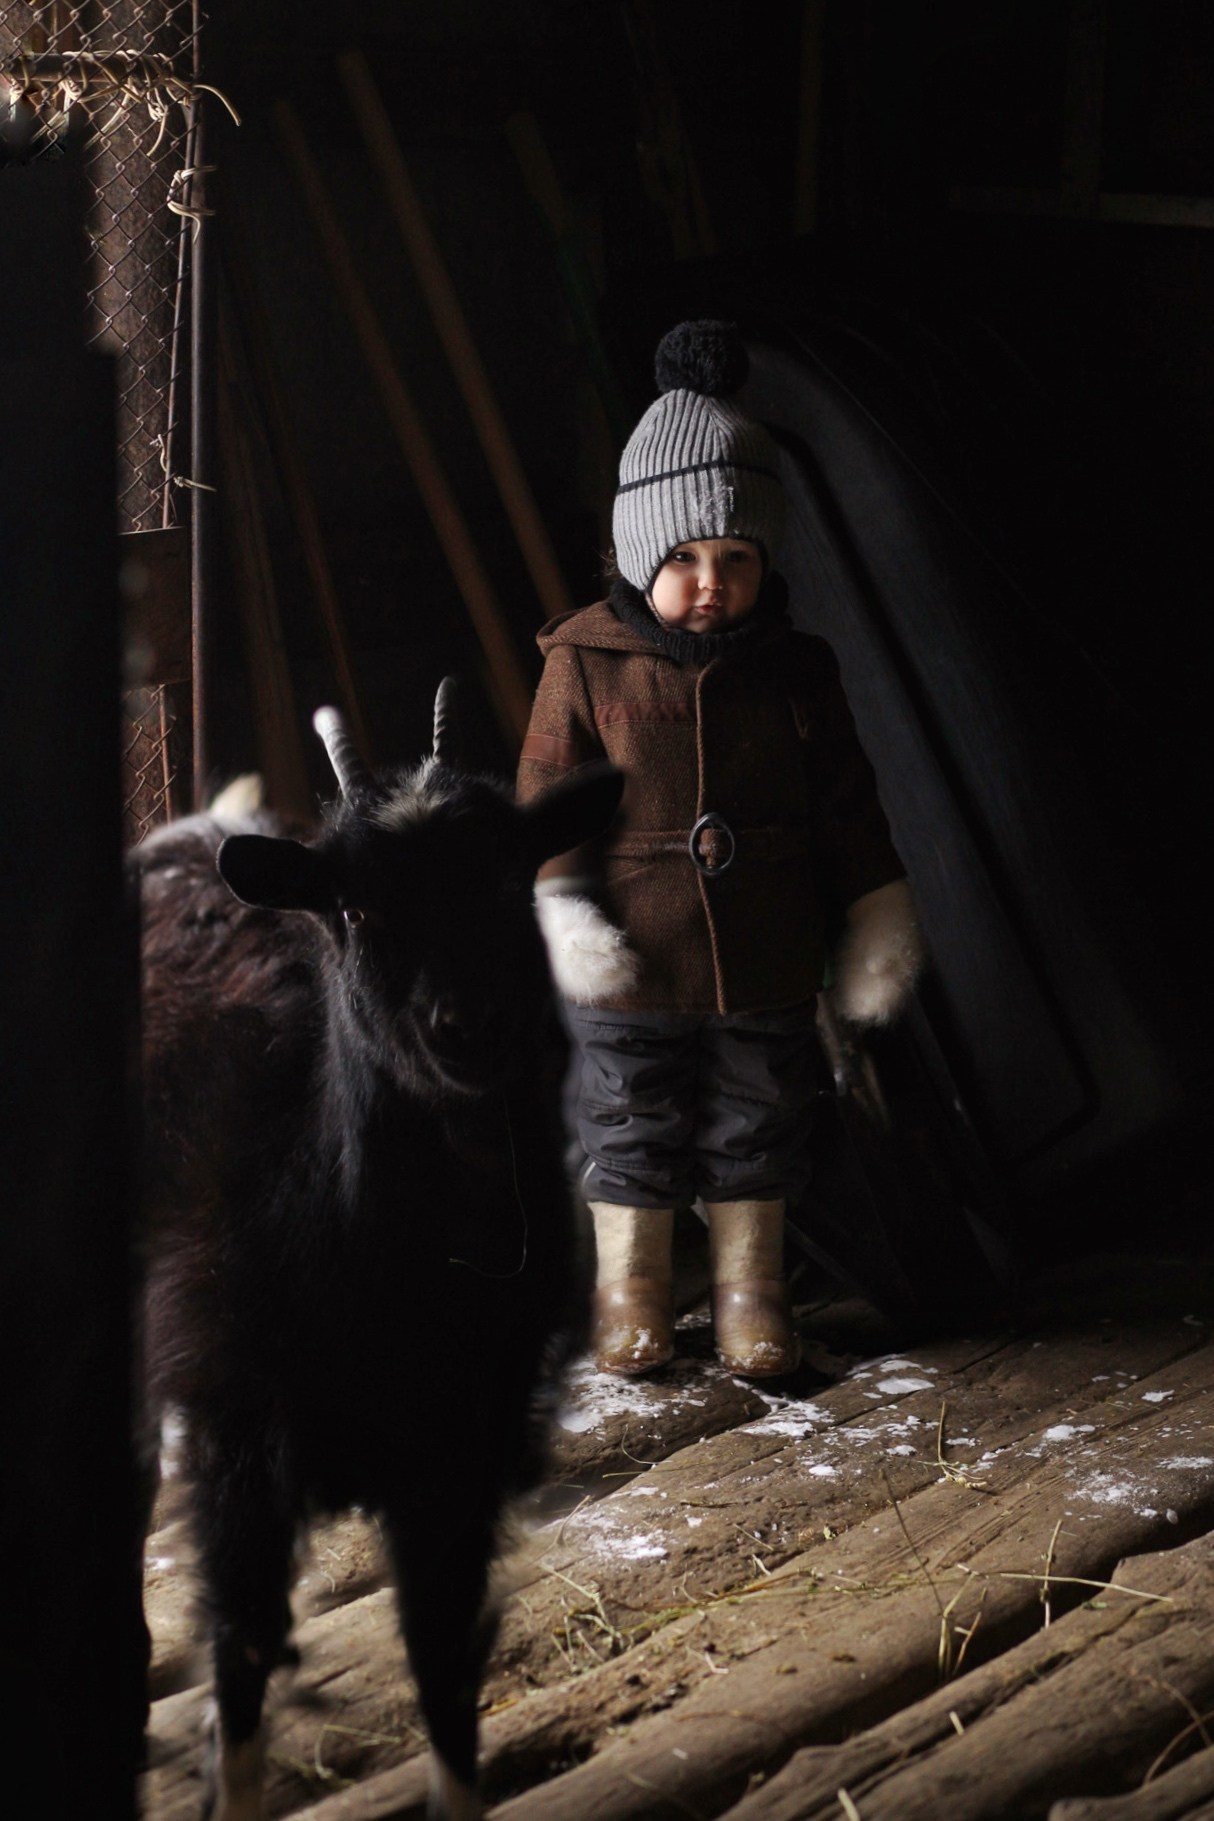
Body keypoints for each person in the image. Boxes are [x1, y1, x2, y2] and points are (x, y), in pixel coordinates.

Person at [516, 320, 923, 1380]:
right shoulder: (585, 666)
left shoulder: (797, 672)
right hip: (633, 961)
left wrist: (874, 904)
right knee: (624, 1123)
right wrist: (563, 911)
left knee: (760, 1119)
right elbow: (549, 802)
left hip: (765, 952)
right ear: (635, 555)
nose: (709, 582)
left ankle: (751, 1296)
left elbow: (846, 805)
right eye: (683, 559)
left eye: (735, 558)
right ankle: (634, 1298)